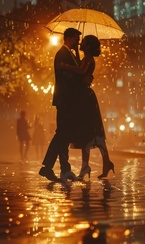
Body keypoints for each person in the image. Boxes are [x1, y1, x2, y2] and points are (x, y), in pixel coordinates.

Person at [60, 35, 115, 179]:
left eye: (83, 42)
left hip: (86, 98)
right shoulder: (86, 58)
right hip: (84, 97)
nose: (80, 43)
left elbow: (80, 71)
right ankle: (93, 165)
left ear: (88, 46)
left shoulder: (88, 59)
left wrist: (66, 66)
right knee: (88, 134)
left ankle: (93, 165)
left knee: (91, 133)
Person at [38, 28, 82, 182]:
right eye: (76, 39)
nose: (78, 42)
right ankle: (48, 168)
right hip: (65, 100)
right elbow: (73, 75)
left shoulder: (69, 53)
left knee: (64, 135)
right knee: (62, 134)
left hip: (67, 100)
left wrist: (77, 54)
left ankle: (64, 169)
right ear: (69, 38)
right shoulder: (62, 54)